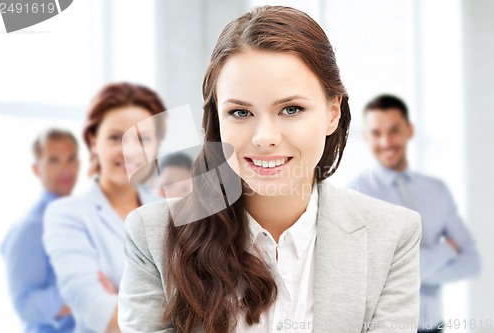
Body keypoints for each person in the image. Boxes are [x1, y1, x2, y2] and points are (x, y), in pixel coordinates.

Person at [118, 6, 422, 333]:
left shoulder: (392, 234)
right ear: (218, 120)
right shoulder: (152, 234)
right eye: (240, 113)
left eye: (291, 109)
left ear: (332, 112)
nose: (265, 138)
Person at [349, 94, 481, 332]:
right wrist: (447, 250)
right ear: (367, 137)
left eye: (394, 130)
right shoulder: (357, 195)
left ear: (409, 131)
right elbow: (375, 272)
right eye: (377, 133)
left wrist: (414, 274)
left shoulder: (436, 190)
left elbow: (472, 261)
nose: (386, 141)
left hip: (434, 326)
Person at [43, 83, 166, 333]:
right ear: (92, 142)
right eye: (115, 138)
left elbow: (208, 305)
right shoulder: (66, 215)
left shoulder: (169, 213)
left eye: (143, 138)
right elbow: (99, 313)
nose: (130, 151)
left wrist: (124, 300)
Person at [1, 129, 79, 333]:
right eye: (54, 160)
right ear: (37, 169)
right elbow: (25, 304)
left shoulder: (81, 217)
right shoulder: (30, 228)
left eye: (71, 159)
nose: (66, 170)